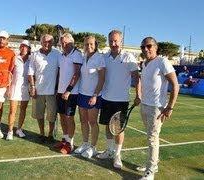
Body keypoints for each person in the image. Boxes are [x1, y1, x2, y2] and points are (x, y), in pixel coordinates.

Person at [97, 30, 140, 169]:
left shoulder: (129, 57)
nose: (113, 44)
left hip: (121, 100)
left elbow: (136, 77)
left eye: (116, 41)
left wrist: (138, 95)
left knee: (118, 129)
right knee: (108, 127)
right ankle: (109, 151)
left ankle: (117, 155)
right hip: (106, 97)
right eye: (111, 41)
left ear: (121, 41)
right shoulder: (104, 57)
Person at [138, 37, 179, 180]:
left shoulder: (162, 62)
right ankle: (152, 164)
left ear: (156, 47)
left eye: (149, 46)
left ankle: (150, 171)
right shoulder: (144, 64)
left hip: (157, 107)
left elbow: (175, 84)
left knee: (152, 138)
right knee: (150, 136)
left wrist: (170, 107)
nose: (146, 49)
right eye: (143, 47)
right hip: (145, 105)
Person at [74, 36, 105, 158]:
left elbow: (102, 79)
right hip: (82, 94)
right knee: (83, 121)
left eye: (91, 44)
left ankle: (93, 147)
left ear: (95, 45)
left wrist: (95, 95)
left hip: (94, 96)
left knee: (92, 122)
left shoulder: (100, 58)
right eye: (86, 44)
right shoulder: (83, 57)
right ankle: (85, 143)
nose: (89, 46)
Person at [28, 34, 60, 142]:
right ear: (41, 42)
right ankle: (41, 133)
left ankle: (50, 134)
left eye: (49, 42)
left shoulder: (57, 54)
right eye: (45, 41)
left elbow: (60, 71)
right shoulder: (35, 54)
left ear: (53, 42)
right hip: (38, 89)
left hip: (52, 91)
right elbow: (30, 72)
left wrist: (57, 88)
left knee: (51, 115)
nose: (47, 44)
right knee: (39, 114)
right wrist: (32, 87)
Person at [55, 33, 83, 154]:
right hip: (60, 91)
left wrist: (68, 90)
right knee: (62, 116)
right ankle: (65, 140)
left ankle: (70, 144)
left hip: (71, 93)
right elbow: (60, 73)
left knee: (69, 117)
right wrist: (58, 89)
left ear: (72, 42)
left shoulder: (77, 54)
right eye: (62, 42)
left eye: (66, 42)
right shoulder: (61, 56)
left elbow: (77, 74)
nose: (63, 44)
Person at [7, 40, 31, 140]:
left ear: (29, 49)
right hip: (14, 87)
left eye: (25, 47)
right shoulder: (15, 58)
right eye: (22, 46)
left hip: (26, 88)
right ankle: (10, 131)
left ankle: (19, 129)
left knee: (23, 110)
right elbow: (10, 73)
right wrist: (8, 87)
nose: (23, 48)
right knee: (13, 110)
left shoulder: (31, 60)